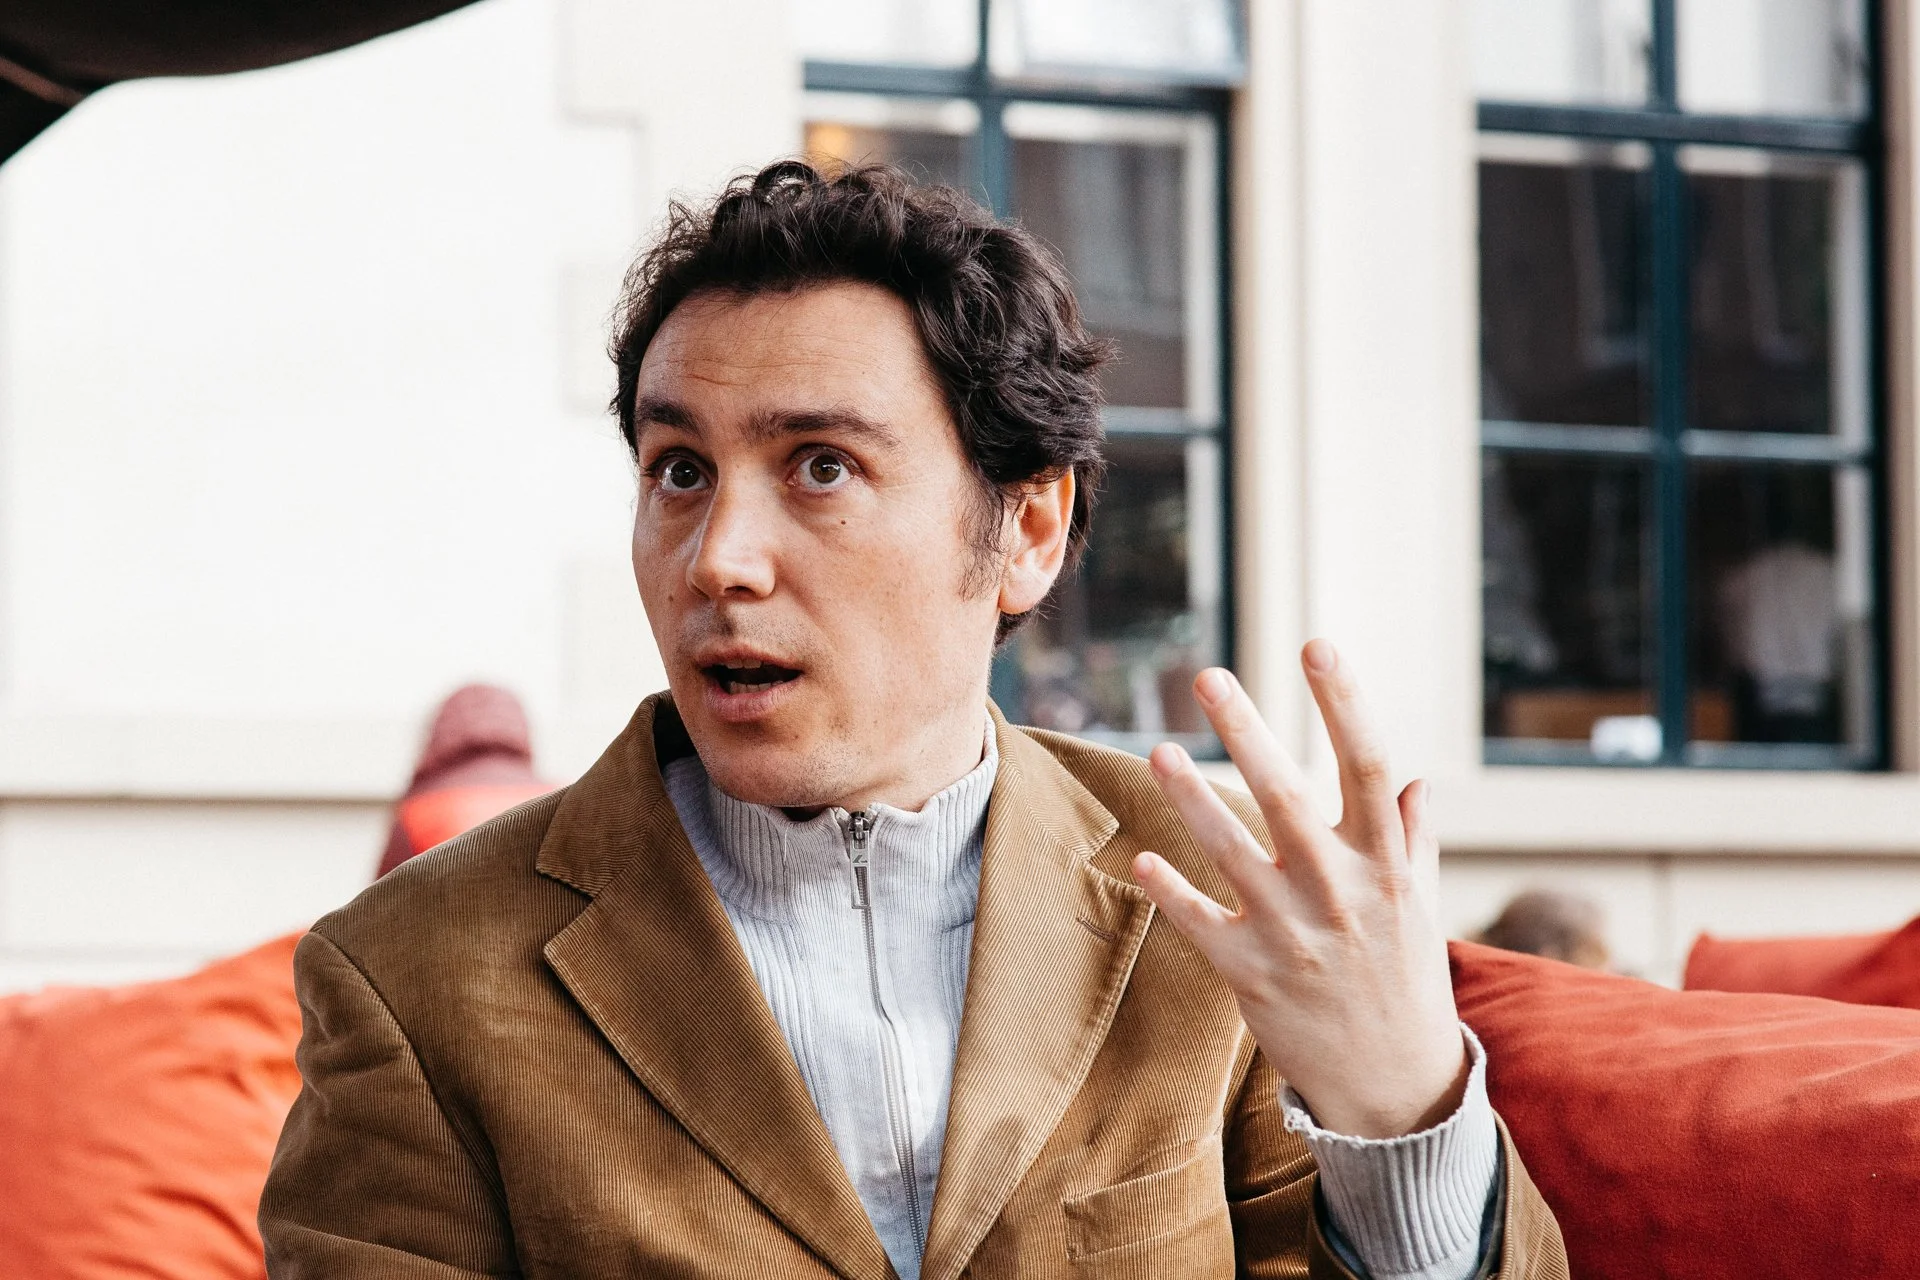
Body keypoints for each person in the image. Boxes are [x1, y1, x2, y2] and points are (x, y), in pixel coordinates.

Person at [260, 162, 1565, 1278]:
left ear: (1029, 528)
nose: (719, 560)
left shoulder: (1224, 902)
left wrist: (1401, 1115)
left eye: (821, 467)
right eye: (680, 471)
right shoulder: (414, 977)